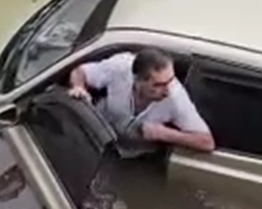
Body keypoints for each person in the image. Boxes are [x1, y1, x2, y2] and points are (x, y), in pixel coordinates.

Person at [67, 47, 215, 158]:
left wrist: (164, 134)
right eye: (159, 85)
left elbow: (207, 142)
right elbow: (80, 72)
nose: (167, 90)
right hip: (95, 138)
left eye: (170, 81)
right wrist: (79, 87)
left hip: (134, 158)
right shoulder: (120, 67)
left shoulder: (176, 99)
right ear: (137, 80)